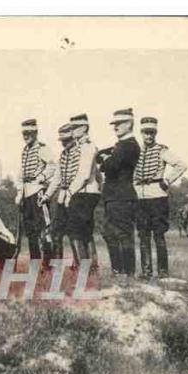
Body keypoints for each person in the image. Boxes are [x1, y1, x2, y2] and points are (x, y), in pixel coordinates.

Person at [134, 117, 187, 279]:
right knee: (143, 235)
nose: (148, 136)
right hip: (139, 198)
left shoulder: (161, 150)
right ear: (141, 133)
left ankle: (163, 272)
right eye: (145, 133)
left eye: (151, 133)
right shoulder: (136, 151)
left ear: (155, 133)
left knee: (158, 235)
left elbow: (181, 165)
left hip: (157, 197)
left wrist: (167, 180)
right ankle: (146, 271)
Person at [99, 108, 141, 279]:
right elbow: (101, 158)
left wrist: (104, 160)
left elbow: (109, 166)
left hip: (122, 197)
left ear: (129, 123)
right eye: (114, 124)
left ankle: (127, 272)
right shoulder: (120, 146)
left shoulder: (129, 145)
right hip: (113, 197)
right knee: (109, 233)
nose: (115, 127)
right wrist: (104, 158)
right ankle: (118, 270)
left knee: (123, 234)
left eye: (119, 124)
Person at [14, 119, 59, 268]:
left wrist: (41, 178)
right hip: (27, 194)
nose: (26, 136)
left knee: (44, 230)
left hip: (38, 192)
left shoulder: (42, 148)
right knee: (30, 231)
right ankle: (35, 263)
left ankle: (48, 265)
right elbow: (21, 174)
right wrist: (19, 193)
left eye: (29, 133)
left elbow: (53, 165)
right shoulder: (24, 151)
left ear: (35, 132)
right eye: (24, 133)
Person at [67, 113, 101, 270]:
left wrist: (70, 192)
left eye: (75, 127)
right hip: (85, 191)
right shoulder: (79, 147)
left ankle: (85, 267)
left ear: (84, 128)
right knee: (84, 230)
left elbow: (84, 174)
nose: (72, 130)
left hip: (84, 192)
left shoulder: (87, 146)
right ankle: (90, 266)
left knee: (78, 230)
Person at [52, 123, 80, 265]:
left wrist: (72, 193)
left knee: (74, 232)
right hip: (62, 196)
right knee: (56, 232)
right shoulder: (63, 155)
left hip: (75, 195)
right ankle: (57, 265)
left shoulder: (80, 152)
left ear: (73, 138)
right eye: (63, 141)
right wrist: (47, 195)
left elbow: (81, 176)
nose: (64, 144)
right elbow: (57, 178)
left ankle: (79, 264)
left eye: (67, 140)